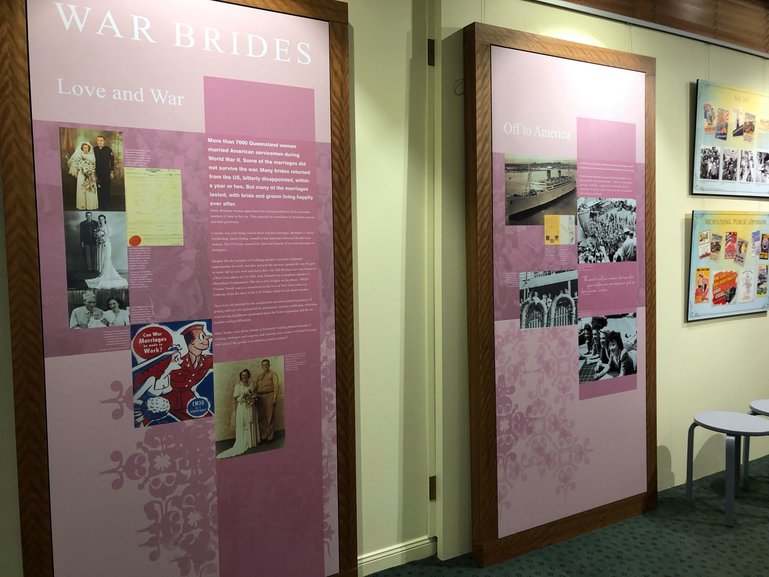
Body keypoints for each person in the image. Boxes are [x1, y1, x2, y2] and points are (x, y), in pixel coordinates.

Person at [167, 324, 214, 420]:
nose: (207, 339)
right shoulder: (178, 362)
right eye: (202, 337)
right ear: (192, 342)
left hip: (187, 399)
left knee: (206, 418)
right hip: (168, 400)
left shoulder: (206, 361)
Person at [132, 347, 183, 427]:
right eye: (177, 358)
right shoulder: (151, 380)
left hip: (154, 414)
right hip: (138, 413)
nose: (181, 361)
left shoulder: (168, 378)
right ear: (166, 361)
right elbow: (134, 399)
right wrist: (151, 406)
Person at [217, 369, 260, 459]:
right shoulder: (238, 386)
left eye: (246, 375)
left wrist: (252, 398)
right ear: (241, 376)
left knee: (250, 421)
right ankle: (244, 441)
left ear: (249, 376)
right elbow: (236, 397)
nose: (245, 376)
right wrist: (244, 397)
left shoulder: (251, 385)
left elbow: (253, 394)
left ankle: (251, 441)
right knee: (244, 423)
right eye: (243, 375)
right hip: (243, 407)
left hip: (251, 406)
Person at [85, 214, 128, 290]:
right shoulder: (98, 227)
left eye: (102, 219)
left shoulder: (107, 226)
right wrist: (98, 236)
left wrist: (103, 236)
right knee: (102, 258)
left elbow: (110, 234)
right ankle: (102, 272)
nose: (101, 220)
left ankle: (107, 274)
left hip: (106, 244)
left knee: (106, 258)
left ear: (104, 219)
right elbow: (96, 235)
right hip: (100, 244)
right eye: (100, 219)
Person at [255, 359, 281, 442]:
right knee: (261, 418)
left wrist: (274, 398)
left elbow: (276, 387)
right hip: (259, 397)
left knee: (270, 417)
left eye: (266, 364)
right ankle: (263, 436)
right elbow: (256, 387)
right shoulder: (259, 376)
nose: (265, 366)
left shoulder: (273, 374)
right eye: (263, 365)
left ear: (269, 365)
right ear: (262, 366)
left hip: (269, 396)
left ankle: (270, 437)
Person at [68, 141, 98, 210]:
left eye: (87, 148)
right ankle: (82, 205)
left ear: (89, 149)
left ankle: (90, 205)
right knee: (82, 188)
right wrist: (82, 169)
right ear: (82, 149)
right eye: (84, 148)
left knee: (90, 188)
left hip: (90, 175)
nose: (85, 149)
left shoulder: (92, 156)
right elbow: (75, 164)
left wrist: (90, 171)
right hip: (82, 174)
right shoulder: (79, 156)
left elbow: (94, 165)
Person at [94, 135, 115, 210]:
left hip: (106, 172)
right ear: (97, 141)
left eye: (101, 140)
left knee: (106, 188)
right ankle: (99, 205)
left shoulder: (108, 149)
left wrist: (112, 171)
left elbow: (112, 161)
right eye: (98, 140)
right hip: (96, 173)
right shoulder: (94, 149)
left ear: (104, 141)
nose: (99, 142)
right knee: (98, 189)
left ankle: (107, 205)